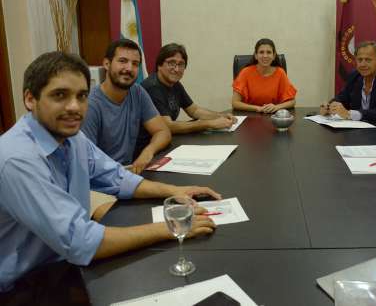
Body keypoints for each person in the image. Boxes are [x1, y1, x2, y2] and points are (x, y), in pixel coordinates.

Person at [0, 52, 220, 299]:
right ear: (30, 99)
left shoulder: (74, 138)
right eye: (60, 95)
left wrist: (174, 191)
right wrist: (172, 228)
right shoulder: (16, 159)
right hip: (23, 286)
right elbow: (80, 241)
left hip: (64, 264)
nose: (74, 107)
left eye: (81, 96)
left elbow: (118, 178)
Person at [82, 39, 171, 174]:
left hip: (129, 172)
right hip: (102, 180)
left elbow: (163, 132)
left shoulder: (137, 92)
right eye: (122, 61)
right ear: (106, 64)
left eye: (135, 64)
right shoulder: (90, 105)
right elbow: (87, 162)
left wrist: (148, 151)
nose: (129, 68)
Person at [140, 43, 236, 140]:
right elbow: (167, 126)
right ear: (159, 65)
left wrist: (220, 116)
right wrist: (209, 123)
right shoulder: (152, 87)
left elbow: (194, 110)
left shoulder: (175, 84)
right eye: (171, 63)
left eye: (181, 64)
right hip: (146, 145)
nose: (176, 69)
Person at [319, 40, 376, 131]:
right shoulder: (355, 75)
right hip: (360, 130)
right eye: (359, 60)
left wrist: (350, 114)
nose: (362, 64)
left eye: (368, 60)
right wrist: (329, 106)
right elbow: (342, 97)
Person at [232, 38, 297, 113]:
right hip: (251, 116)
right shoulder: (245, 72)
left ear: (273, 56)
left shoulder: (280, 73)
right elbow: (235, 103)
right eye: (261, 52)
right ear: (256, 55)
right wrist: (257, 108)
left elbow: (292, 101)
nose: (265, 56)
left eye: (269, 52)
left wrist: (276, 107)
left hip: (273, 116)